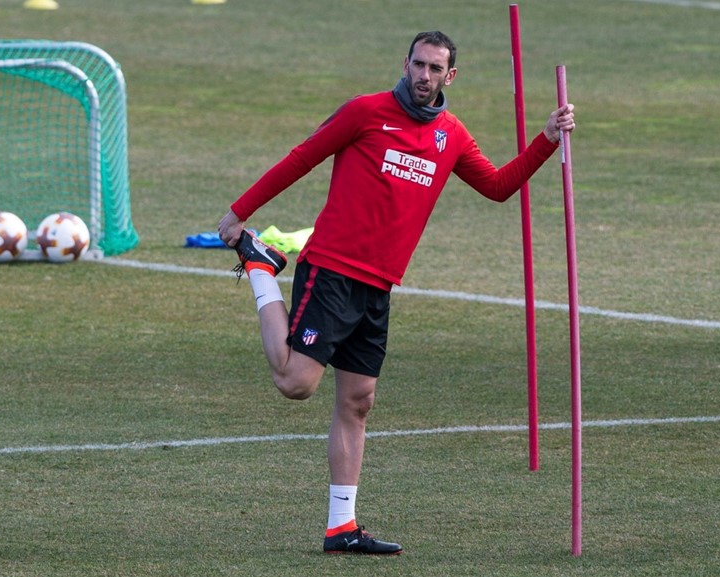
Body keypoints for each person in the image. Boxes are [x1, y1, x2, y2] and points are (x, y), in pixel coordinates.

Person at [217, 30, 575, 555]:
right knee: (296, 382)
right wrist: (239, 212)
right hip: (333, 270)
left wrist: (546, 139)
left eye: (435, 69)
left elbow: (499, 187)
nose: (424, 76)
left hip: (379, 286)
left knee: (358, 401)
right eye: (418, 64)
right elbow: (302, 157)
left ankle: (342, 527)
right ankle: (260, 269)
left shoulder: (450, 135)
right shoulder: (365, 112)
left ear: (450, 77)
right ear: (405, 63)